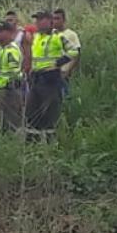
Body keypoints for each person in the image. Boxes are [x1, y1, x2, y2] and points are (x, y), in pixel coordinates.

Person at [26, 10, 80, 140]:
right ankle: (33, 142)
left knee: (49, 112)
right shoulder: (37, 37)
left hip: (50, 78)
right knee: (32, 112)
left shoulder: (58, 37)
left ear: (49, 21)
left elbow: (74, 51)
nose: (37, 23)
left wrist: (58, 63)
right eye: (36, 20)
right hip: (36, 78)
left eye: (41, 20)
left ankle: (50, 142)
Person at [0, 21, 25, 133]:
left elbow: (15, 73)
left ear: (9, 33)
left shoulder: (11, 50)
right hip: (0, 91)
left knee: (11, 122)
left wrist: (10, 86)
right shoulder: (2, 49)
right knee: (0, 122)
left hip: (9, 92)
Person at [52, 8, 83, 96]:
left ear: (64, 20)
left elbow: (77, 54)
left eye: (58, 18)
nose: (55, 21)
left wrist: (69, 71)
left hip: (64, 73)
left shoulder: (71, 34)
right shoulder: (51, 34)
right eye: (53, 18)